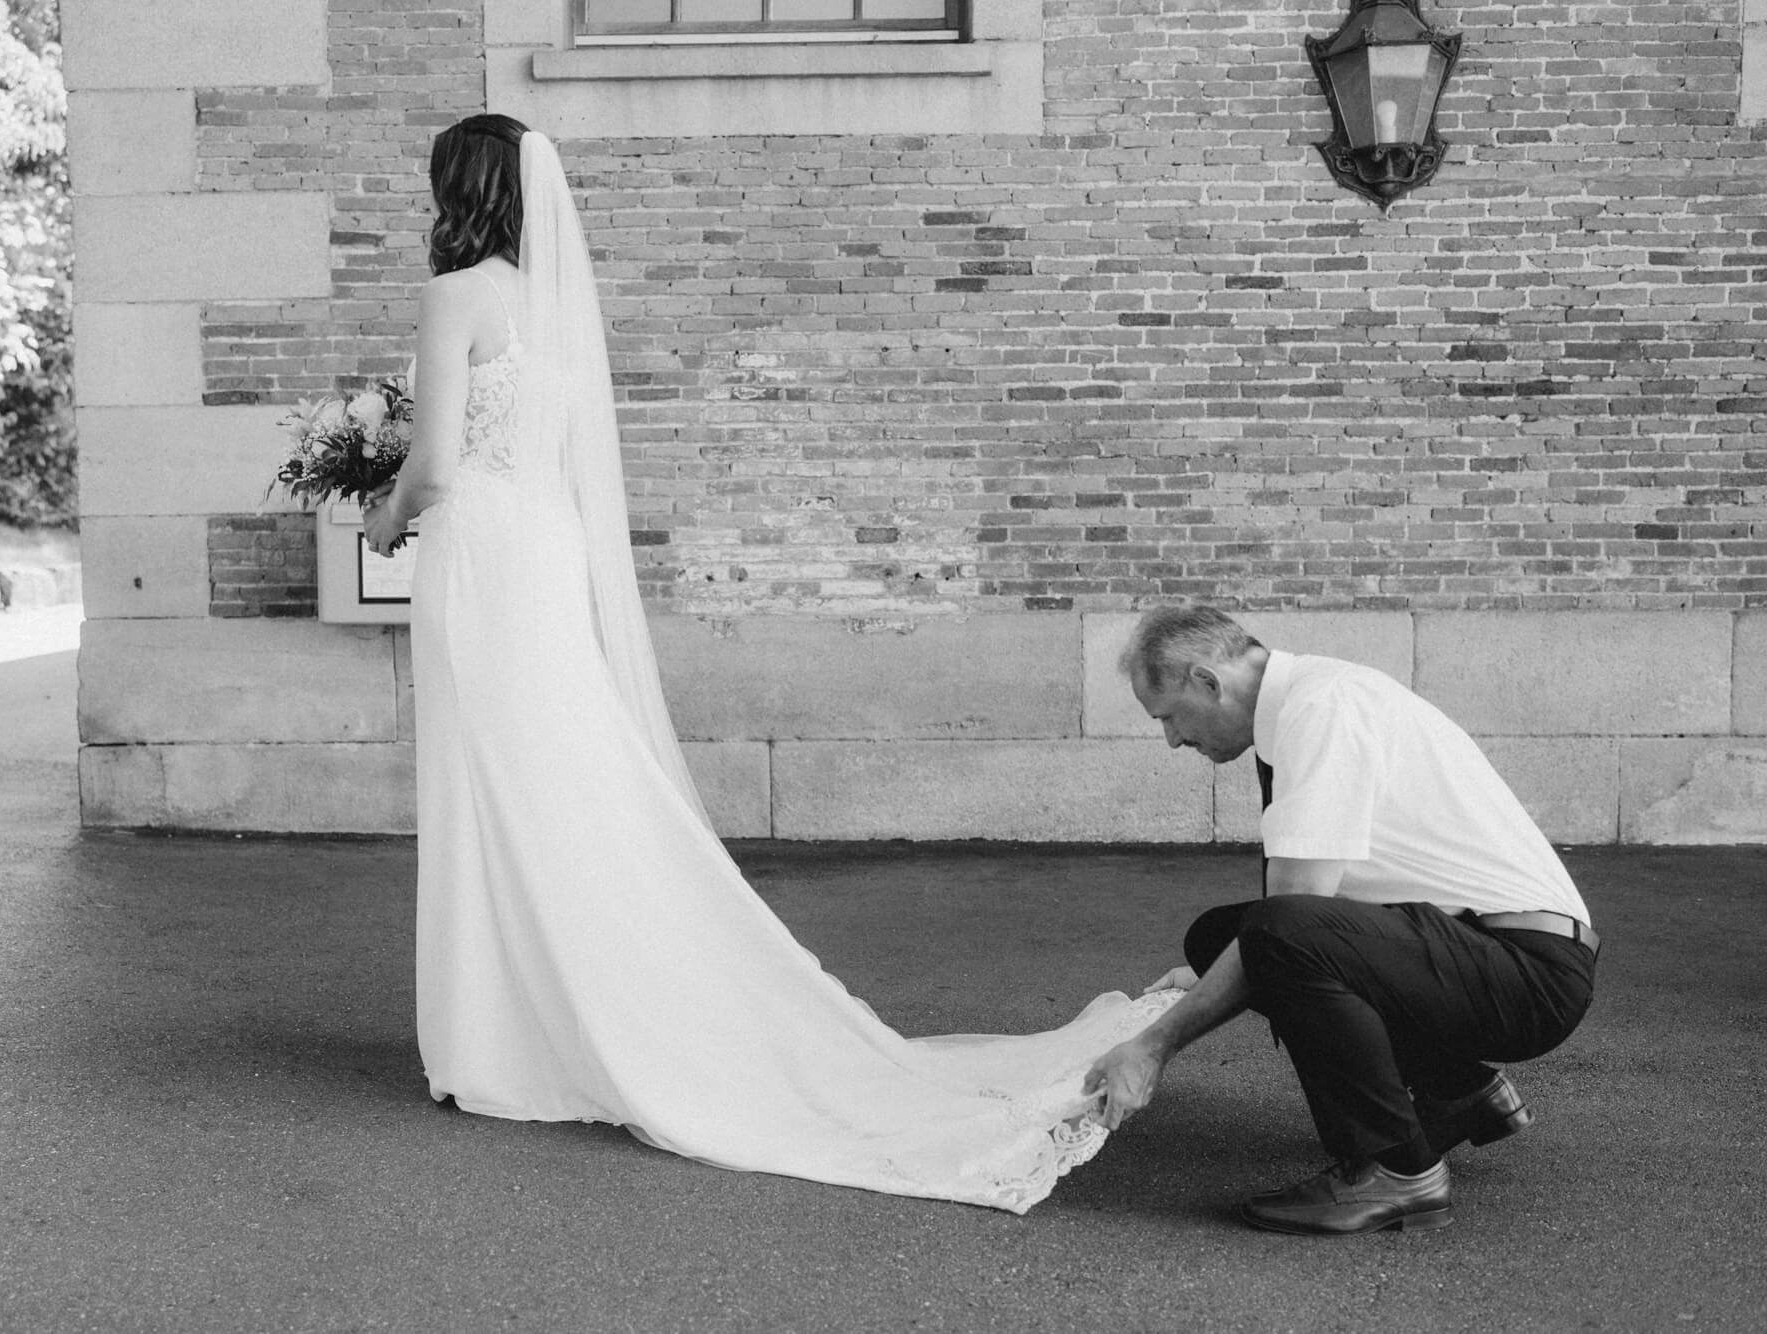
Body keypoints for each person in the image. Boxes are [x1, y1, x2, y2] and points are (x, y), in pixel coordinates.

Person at [359, 114, 1175, 1213]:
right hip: (542, 554)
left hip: (483, 558)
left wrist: (379, 514)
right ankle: (548, 1017)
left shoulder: (455, 294)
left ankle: (502, 1039)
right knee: (556, 773)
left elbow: (440, 461)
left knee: (492, 780)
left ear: (452, 187)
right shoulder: (556, 313)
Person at [1083, 606, 1597, 1235]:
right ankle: (1458, 1094)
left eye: (1166, 717)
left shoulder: (1324, 708)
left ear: (1206, 682)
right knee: (1219, 939)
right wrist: (1211, 974)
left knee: (1271, 936)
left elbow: (1293, 918)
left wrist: (1152, 1047)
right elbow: (1300, 915)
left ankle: (1398, 1170)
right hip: (1480, 949)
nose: (1171, 740)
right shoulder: (1303, 704)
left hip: (1527, 974)